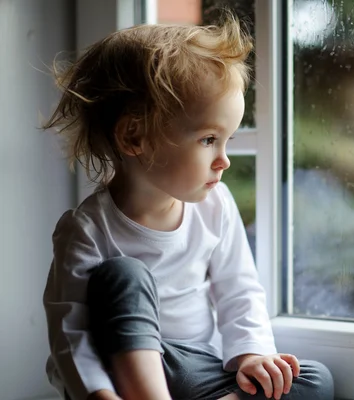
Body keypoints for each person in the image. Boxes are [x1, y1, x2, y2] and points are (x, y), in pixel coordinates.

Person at [41, 13, 334, 400]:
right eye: (209, 139)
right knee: (124, 275)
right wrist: (98, 395)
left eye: (227, 140)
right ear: (135, 136)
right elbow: (71, 333)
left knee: (312, 379)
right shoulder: (87, 229)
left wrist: (252, 354)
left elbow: (239, 290)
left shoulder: (216, 206)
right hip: (122, 373)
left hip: (197, 368)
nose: (224, 160)